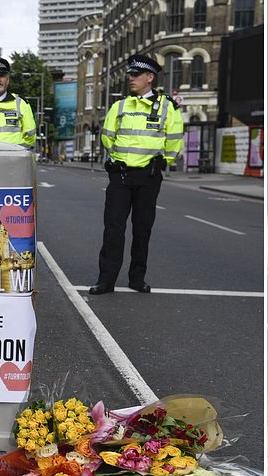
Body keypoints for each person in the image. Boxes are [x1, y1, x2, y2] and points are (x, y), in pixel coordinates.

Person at [89, 54, 183, 295]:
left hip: (148, 177)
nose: (130, 78)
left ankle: (136, 278)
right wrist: (115, 160)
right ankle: (106, 280)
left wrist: (165, 161)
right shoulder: (119, 106)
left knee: (142, 230)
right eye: (130, 74)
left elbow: (174, 140)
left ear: (149, 77)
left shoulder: (167, 107)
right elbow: (107, 137)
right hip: (120, 176)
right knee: (113, 229)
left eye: (136, 74)